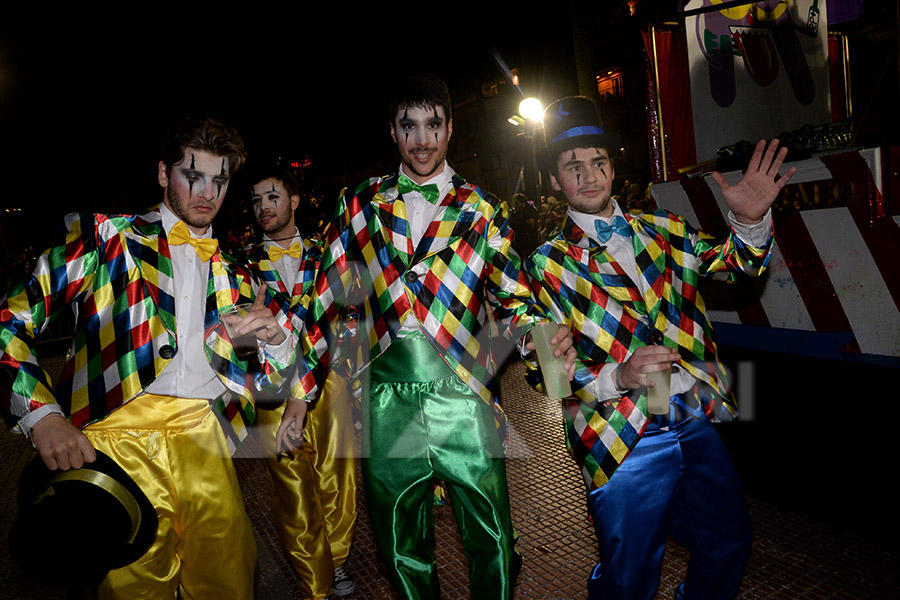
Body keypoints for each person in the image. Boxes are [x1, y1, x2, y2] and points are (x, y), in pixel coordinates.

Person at [283, 74, 576, 600]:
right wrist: (300, 397)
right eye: (409, 126)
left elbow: (514, 301)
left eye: (432, 125)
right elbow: (325, 305)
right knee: (400, 544)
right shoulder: (360, 204)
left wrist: (536, 340)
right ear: (393, 133)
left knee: (493, 538)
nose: (422, 139)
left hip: (465, 395)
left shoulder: (484, 209)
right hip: (382, 397)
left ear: (449, 130)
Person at [0, 116, 297, 599]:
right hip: (116, 442)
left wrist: (279, 343)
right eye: (192, 176)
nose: (207, 193)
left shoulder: (239, 272)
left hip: (207, 441)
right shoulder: (104, 240)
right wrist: (42, 416)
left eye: (219, 181)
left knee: (231, 580)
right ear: (163, 174)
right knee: (132, 587)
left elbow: (271, 389)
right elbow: (8, 322)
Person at [525, 96, 796, 599]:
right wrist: (618, 376)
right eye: (572, 166)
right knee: (628, 577)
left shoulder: (665, 230)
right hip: (622, 431)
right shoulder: (545, 264)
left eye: (597, 162)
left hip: (692, 412)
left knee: (729, 542)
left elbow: (739, 266)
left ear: (613, 167)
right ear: (554, 180)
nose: (588, 176)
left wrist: (751, 222)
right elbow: (547, 367)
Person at [243, 165, 357, 599]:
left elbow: (349, 313)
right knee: (291, 486)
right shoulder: (241, 264)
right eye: (255, 201)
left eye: (272, 197)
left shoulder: (328, 253)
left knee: (338, 475)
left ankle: (338, 559)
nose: (263, 207)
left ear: (293, 200)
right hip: (273, 390)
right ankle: (316, 580)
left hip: (329, 383)